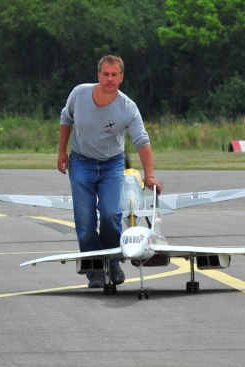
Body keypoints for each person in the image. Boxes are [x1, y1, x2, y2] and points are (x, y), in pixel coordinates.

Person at [57, 55, 162, 287]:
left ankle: (113, 262)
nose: (109, 79)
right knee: (84, 221)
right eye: (105, 74)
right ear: (98, 75)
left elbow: (142, 141)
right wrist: (61, 152)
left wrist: (150, 174)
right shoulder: (79, 94)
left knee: (110, 214)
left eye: (114, 75)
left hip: (112, 165)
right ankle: (95, 269)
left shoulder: (127, 107)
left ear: (121, 77)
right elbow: (66, 119)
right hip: (81, 163)